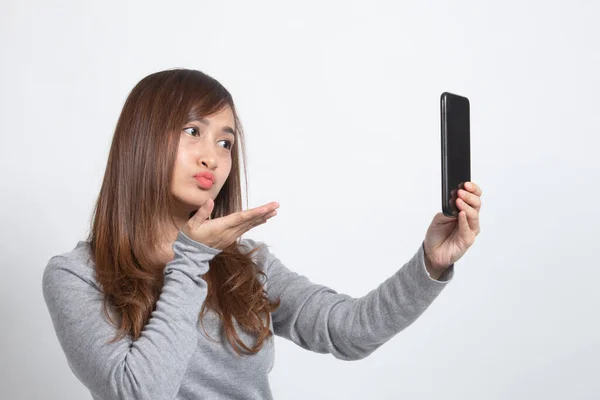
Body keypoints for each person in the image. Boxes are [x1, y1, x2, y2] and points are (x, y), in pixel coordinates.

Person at [42, 68, 483, 400]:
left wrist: (431, 263)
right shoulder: (77, 275)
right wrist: (191, 257)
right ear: (141, 140)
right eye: (193, 131)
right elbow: (138, 391)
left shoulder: (246, 261)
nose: (211, 158)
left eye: (225, 143)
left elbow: (346, 331)